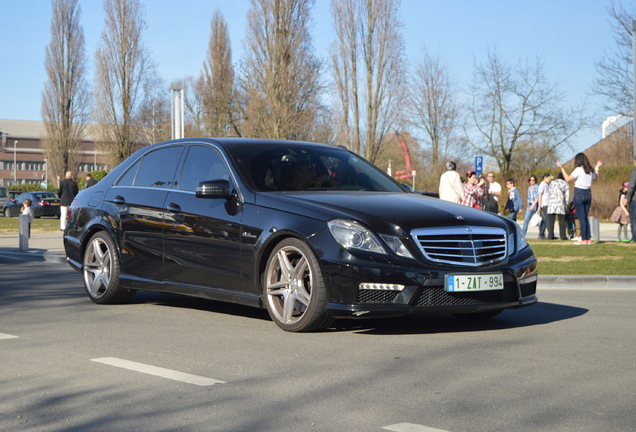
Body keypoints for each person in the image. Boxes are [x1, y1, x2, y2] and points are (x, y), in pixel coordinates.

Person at [558, 153, 602, 245]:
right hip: (588, 194)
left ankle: (584, 239)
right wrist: (597, 167)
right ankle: (588, 238)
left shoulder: (578, 170)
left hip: (579, 193)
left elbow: (567, 179)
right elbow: (596, 178)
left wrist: (562, 168)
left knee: (581, 217)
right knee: (585, 216)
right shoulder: (589, 170)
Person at [547, 172, 570, 240]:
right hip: (560, 204)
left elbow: (549, 192)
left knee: (551, 221)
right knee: (562, 221)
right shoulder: (565, 183)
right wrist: (567, 204)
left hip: (551, 203)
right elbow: (567, 196)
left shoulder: (552, 183)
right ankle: (562, 236)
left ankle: (550, 235)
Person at [536, 173, 552, 239]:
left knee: (544, 220)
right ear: (545, 177)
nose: (550, 180)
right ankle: (550, 234)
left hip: (548, 204)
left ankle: (541, 234)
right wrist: (539, 206)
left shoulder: (547, 184)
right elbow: (540, 195)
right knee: (547, 220)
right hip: (544, 204)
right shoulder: (542, 185)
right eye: (549, 178)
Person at [626, 158, 636, 243]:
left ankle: (634, 237)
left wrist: (627, 198)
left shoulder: (634, 171)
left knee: (634, 219)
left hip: (635, 199)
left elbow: (631, 186)